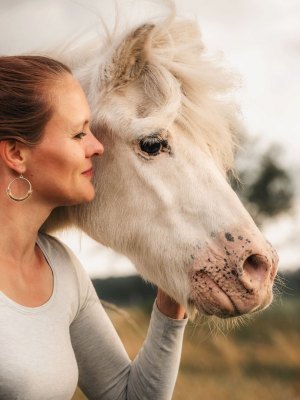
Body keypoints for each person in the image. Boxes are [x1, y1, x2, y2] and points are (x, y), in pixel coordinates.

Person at [0, 55, 187, 400]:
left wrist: (173, 298)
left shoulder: (62, 270)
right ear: (16, 153)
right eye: (78, 133)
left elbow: (129, 396)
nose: (97, 147)